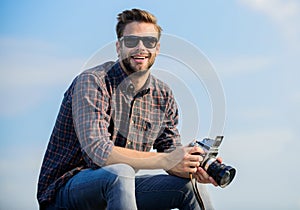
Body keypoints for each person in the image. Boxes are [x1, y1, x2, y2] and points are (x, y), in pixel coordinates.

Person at [37, 8, 219, 210]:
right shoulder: (92, 82)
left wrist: (193, 166)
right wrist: (168, 159)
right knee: (121, 172)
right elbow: (98, 152)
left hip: (121, 187)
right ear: (118, 47)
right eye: (132, 41)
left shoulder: (163, 95)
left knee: (192, 188)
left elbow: (169, 153)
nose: (141, 48)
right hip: (64, 192)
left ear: (157, 48)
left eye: (149, 42)